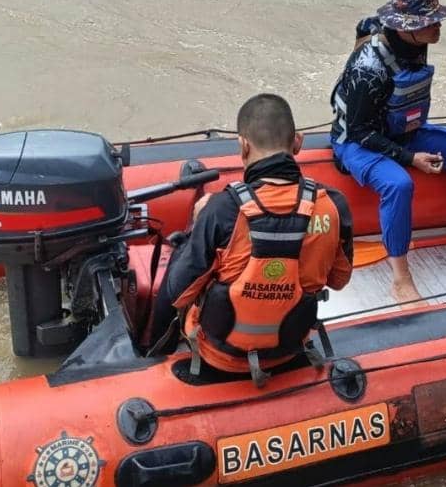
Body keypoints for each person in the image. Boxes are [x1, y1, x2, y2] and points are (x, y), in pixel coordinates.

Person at [149, 93, 353, 385]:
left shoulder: (221, 209)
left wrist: (196, 226)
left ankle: (150, 358)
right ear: (298, 142)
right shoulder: (334, 205)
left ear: (243, 146)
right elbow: (338, 280)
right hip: (288, 349)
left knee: (182, 255)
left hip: (220, 357)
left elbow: (177, 292)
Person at [330, 0, 446, 305]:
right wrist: (410, 158)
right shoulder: (369, 69)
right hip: (358, 142)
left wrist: (407, 147)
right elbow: (358, 131)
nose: (438, 25)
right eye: (430, 21)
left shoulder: (414, 42)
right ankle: (401, 279)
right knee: (398, 185)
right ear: (406, 28)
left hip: (402, 130)